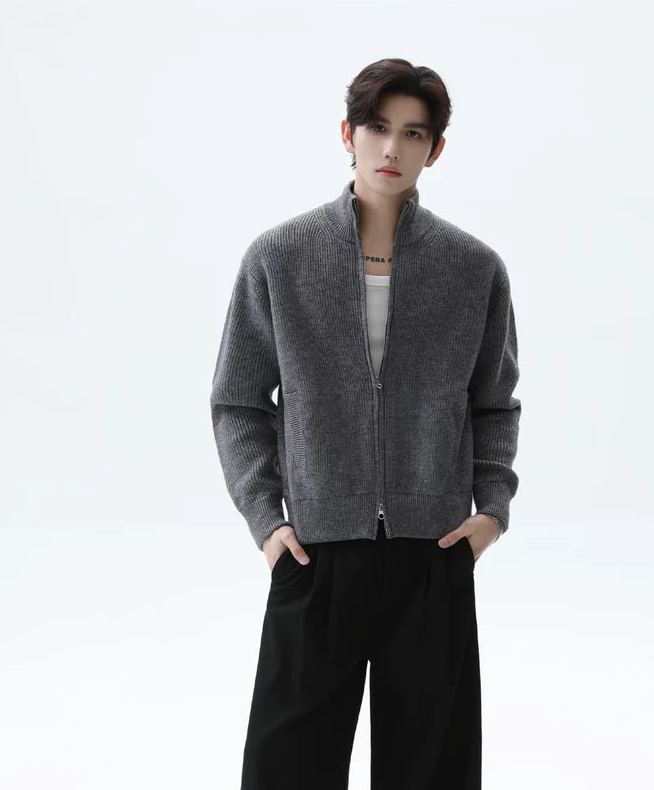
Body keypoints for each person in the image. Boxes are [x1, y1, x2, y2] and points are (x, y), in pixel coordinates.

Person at [210, 57, 521, 790]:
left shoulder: (473, 268)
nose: (392, 148)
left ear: (434, 150)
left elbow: (493, 402)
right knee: (287, 769)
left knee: (432, 772)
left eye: (413, 133)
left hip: (433, 553)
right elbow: (238, 401)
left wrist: (491, 513)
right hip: (314, 551)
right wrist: (268, 522)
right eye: (378, 128)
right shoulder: (279, 258)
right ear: (347, 134)